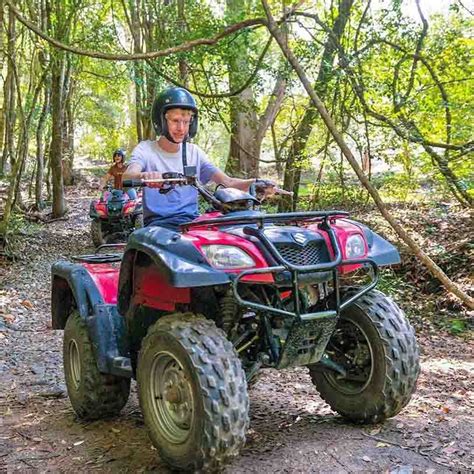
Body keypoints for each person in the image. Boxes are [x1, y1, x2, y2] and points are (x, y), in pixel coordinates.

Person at [123, 86, 271, 230]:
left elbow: (227, 181)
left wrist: (256, 183)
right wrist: (145, 176)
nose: (181, 128)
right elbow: (127, 176)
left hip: (192, 223)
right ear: (161, 121)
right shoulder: (146, 149)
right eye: (175, 121)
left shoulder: (194, 152)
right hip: (159, 225)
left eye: (186, 122)